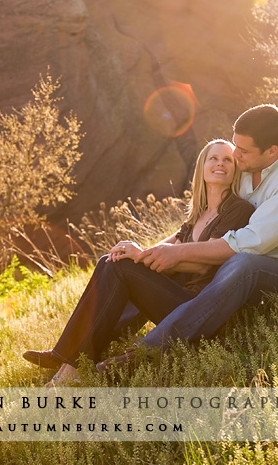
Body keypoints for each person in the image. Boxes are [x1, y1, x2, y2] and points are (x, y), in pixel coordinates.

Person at [97, 103, 278, 367]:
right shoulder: (246, 166)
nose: (235, 155)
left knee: (242, 264)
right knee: (179, 259)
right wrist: (151, 253)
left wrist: (178, 253)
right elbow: (201, 226)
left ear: (272, 151)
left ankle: (146, 352)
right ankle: (98, 337)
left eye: (243, 150)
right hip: (233, 265)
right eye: (235, 145)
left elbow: (248, 244)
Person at [22, 139, 255, 386]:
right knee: (112, 261)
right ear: (203, 167)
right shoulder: (198, 214)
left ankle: (70, 362)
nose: (220, 163)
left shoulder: (238, 210)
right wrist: (134, 251)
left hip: (195, 309)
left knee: (121, 267)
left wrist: (139, 257)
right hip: (175, 298)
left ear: (235, 169)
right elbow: (168, 246)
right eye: (214, 158)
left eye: (227, 159)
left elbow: (203, 263)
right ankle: (70, 357)